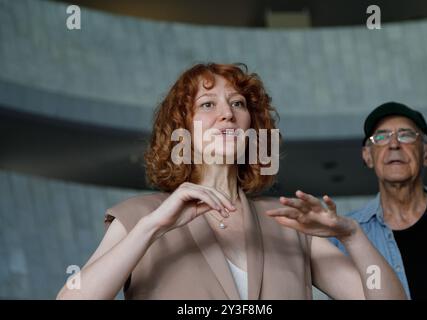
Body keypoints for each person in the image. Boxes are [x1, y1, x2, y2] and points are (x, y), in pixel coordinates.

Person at [56, 63, 405, 300]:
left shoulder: (289, 223)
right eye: (207, 104)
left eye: (238, 103)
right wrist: (151, 229)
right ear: (183, 131)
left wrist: (351, 234)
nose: (227, 113)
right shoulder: (140, 216)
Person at [330, 102, 427, 300]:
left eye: (406, 135)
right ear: (367, 156)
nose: (394, 144)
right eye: (381, 137)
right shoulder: (342, 238)